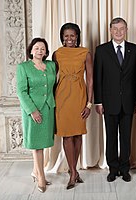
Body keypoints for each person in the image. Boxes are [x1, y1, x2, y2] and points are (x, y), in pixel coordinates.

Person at [94, 17, 136, 182]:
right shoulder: (101, 50)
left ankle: (125, 168)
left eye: (122, 29)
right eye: (115, 29)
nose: (119, 32)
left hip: (128, 103)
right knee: (111, 137)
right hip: (108, 103)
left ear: (126, 30)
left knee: (126, 138)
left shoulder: (135, 50)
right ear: (110, 30)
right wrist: (98, 102)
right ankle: (113, 168)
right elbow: (98, 78)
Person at [52, 23, 93, 190]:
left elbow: (90, 80)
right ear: (62, 37)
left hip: (79, 96)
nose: (69, 39)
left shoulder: (85, 53)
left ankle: (74, 170)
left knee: (77, 135)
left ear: (77, 37)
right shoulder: (57, 54)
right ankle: (73, 173)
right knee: (67, 136)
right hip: (62, 98)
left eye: (72, 35)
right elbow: (51, 77)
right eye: (66, 36)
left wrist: (89, 103)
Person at [16, 38, 56, 193]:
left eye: (43, 48)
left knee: (43, 143)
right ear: (31, 50)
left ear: (46, 51)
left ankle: (35, 171)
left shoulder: (51, 65)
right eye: (37, 48)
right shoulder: (23, 67)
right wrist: (32, 110)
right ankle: (40, 176)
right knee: (36, 146)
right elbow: (21, 91)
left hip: (48, 108)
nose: (40, 51)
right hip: (32, 110)